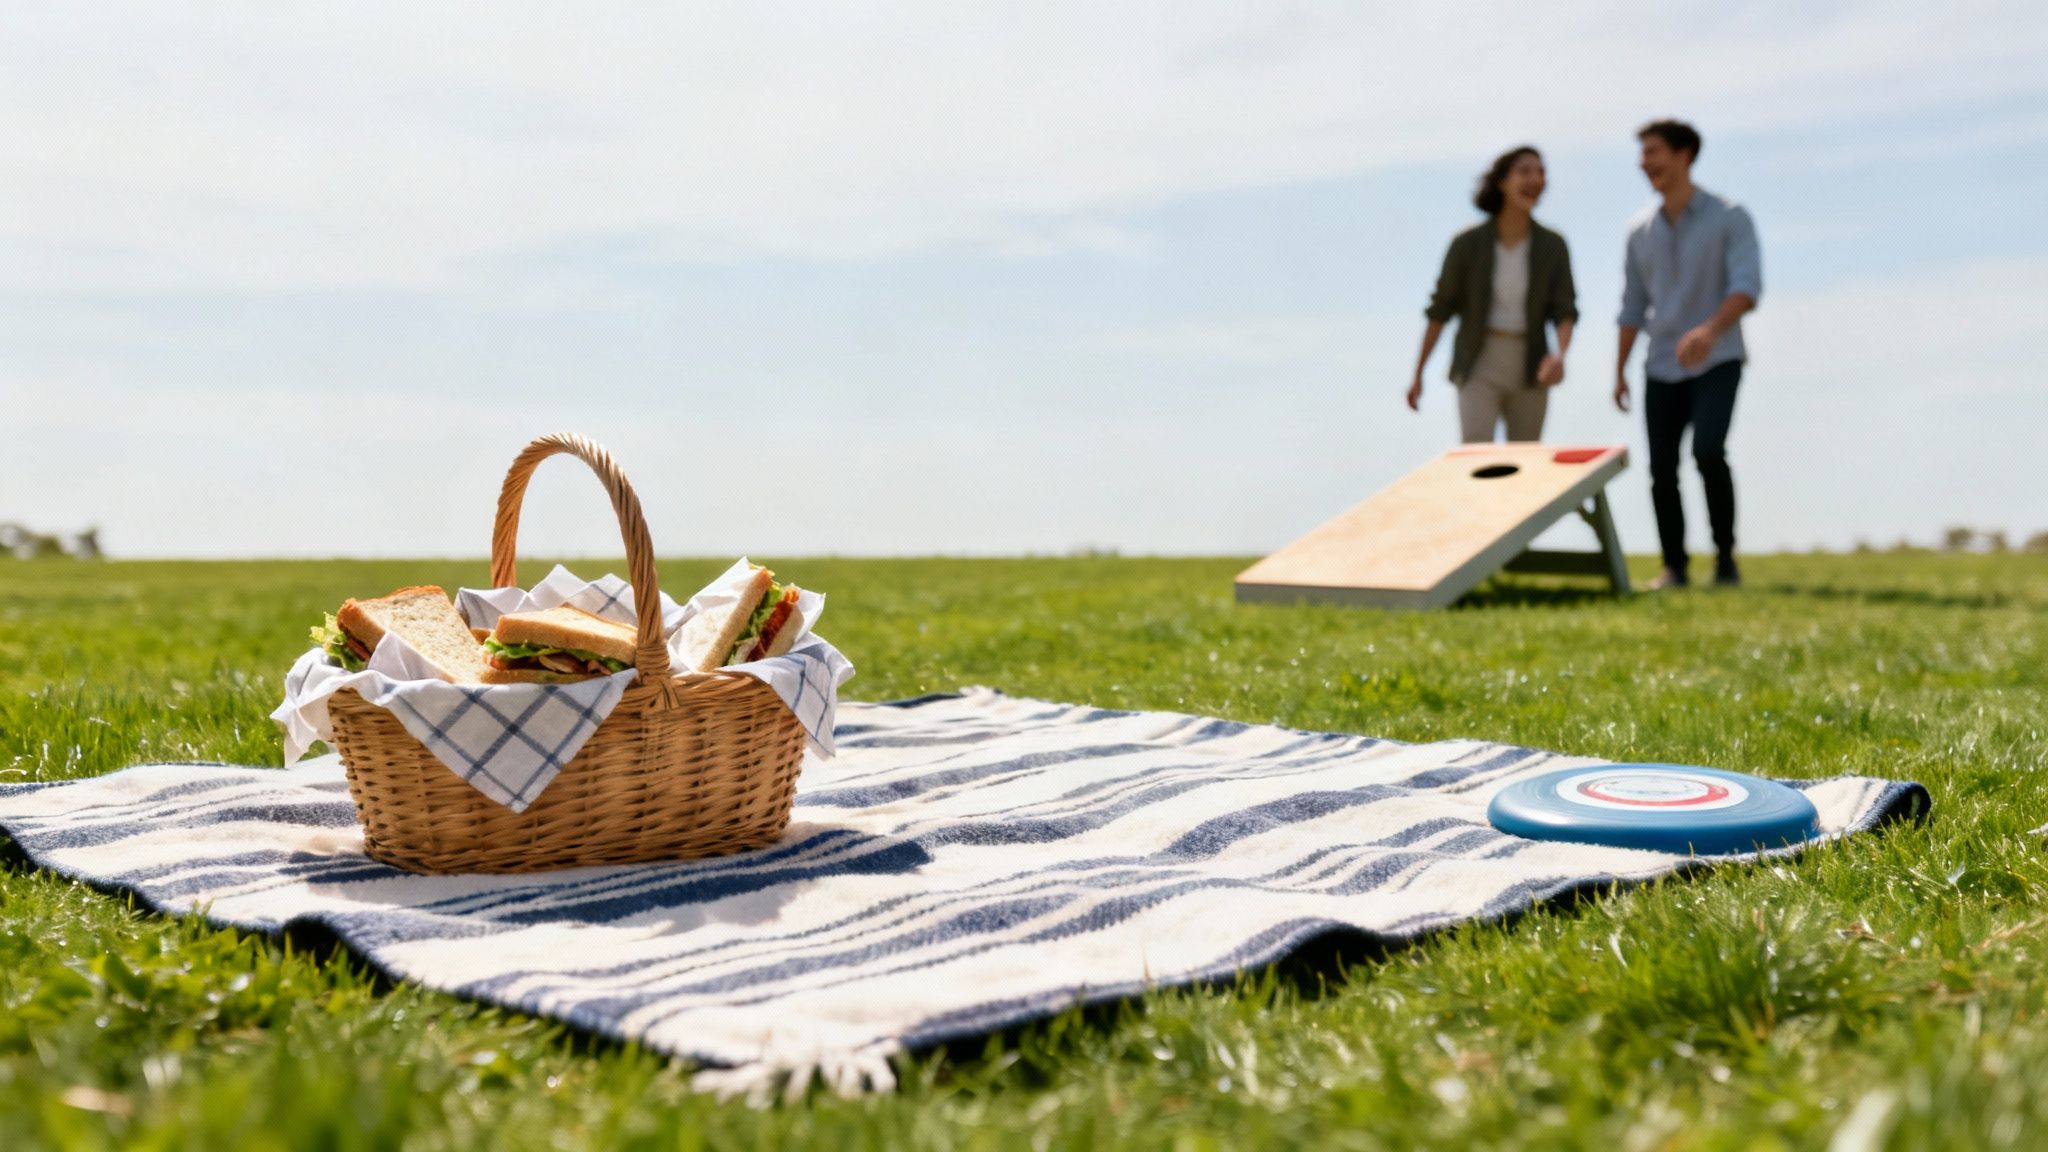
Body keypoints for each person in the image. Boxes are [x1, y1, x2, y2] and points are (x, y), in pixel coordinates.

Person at [1613, 119, 1763, 588]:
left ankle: (1725, 560)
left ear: (1685, 155)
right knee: (1661, 469)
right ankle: (1673, 567)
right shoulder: (1639, 231)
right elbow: (1633, 305)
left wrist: (1710, 330)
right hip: (1660, 365)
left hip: (1717, 359)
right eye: (1642, 153)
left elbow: (1747, 287)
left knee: (1708, 450)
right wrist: (1618, 370)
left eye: (1654, 152)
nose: (1645, 162)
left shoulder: (1729, 216)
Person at [1409, 146, 1578, 443]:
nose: (1535, 179)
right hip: (1479, 362)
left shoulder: (1553, 245)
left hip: (1531, 366)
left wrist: (1560, 356)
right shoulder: (1466, 244)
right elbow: (1440, 309)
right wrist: (1419, 373)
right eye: (1524, 171)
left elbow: (1565, 309)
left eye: (1540, 172)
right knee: (1476, 456)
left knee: (1525, 462)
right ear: (1501, 181)